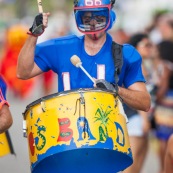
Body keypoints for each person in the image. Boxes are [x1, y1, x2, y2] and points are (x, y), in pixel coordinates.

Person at [17, 0, 150, 171]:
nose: (93, 22)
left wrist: (116, 90)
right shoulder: (61, 47)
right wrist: (33, 35)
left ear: (110, 15)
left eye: (99, 16)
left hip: (106, 147)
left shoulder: (126, 53)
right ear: (78, 17)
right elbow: (23, 72)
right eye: (87, 18)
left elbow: (145, 102)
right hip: (65, 146)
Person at [123, 33, 158, 173]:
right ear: (136, 48)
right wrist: (144, 120)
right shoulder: (136, 67)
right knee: (132, 164)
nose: (150, 48)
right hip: (136, 118)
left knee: (139, 163)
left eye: (151, 45)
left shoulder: (146, 66)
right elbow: (138, 96)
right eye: (146, 45)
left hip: (144, 118)